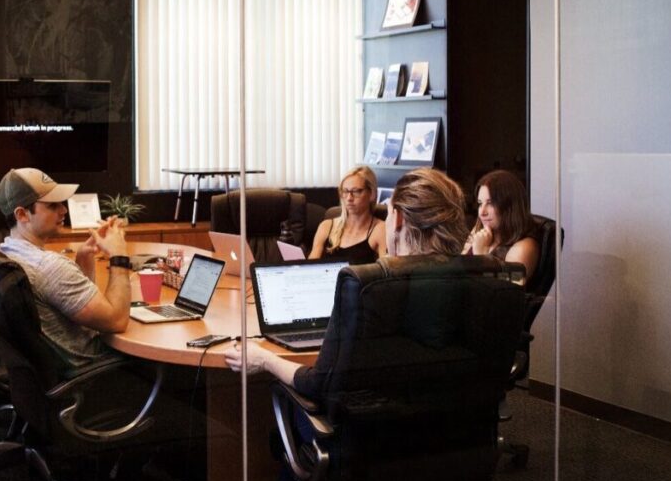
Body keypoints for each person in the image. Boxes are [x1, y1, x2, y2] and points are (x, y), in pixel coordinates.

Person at [226, 167, 467, 392]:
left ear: (398, 219)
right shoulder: (478, 278)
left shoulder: (369, 291)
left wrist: (264, 359)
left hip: (367, 418)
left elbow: (319, 382)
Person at [0, 167, 134, 372]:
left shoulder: (5, 252)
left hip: (50, 373)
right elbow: (117, 321)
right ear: (22, 214)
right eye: (53, 205)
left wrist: (84, 258)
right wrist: (119, 256)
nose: (64, 210)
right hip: (96, 372)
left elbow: (72, 305)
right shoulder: (49, 267)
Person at [462, 170, 540, 281]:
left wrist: (481, 255)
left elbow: (507, 287)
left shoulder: (524, 247)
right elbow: (458, 269)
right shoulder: (480, 230)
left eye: (490, 203)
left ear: (510, 206)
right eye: (480, 203)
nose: (482, 212)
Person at [308, 165, 387, 264]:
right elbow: (310, 267)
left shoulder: (381, 229)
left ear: (372, 194)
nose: (349, 198)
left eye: (356, 191)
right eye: (345, 191)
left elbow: (388, 270)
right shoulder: (326, 226)